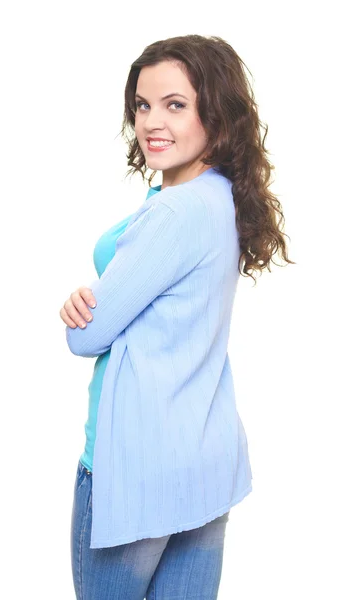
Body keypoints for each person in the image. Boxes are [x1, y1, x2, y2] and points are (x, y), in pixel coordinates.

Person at [60, 34, 294, 600]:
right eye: (142, 105)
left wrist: (78, 308)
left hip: (136, 470)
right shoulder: (220, 197)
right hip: (203, 462)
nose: (151, 123)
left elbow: (87, 337)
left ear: (215, 113)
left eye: (175, 105)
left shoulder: (172, 214)